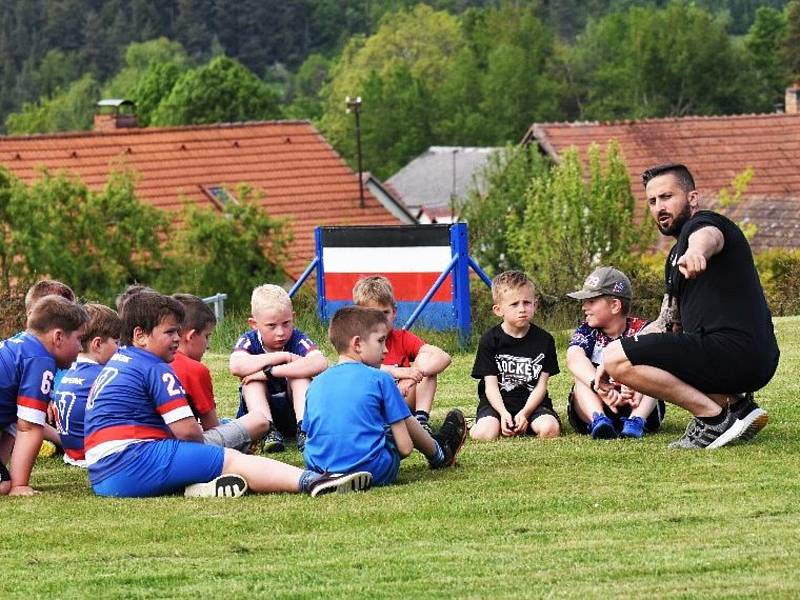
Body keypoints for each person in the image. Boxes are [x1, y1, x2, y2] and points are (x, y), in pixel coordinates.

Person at [84, 291, 372, 498]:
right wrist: (220, 448)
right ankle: (313, 481)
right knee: (232, 458)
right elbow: (188, 435)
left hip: (104, 474)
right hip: (132, 464)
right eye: (170, 332)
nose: (176, 339)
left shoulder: (119, 362)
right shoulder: (156, 368)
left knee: (212, 446)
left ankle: (201, 488)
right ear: (140, 335)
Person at [597, 163, 780, 449]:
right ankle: (736, 408)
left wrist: (696, 252)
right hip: (745, 359)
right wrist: (618, 358)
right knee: (621, 355)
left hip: (734, 350)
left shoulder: (705, 224)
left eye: (667, 197)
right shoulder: (674, 256)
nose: (659, 207)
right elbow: (666, 324)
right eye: (653, 201)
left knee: (617, 356)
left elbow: (708, 237)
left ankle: (713, 418)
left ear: (692, 198)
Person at [302, 306, 467, 486]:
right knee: (400, 417)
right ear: (357, 344)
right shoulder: (381, 378)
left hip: (320, 472)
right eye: (381, 341)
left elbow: (311, 434)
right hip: (373, 470)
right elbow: (405, 448)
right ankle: (439, 454)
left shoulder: (316, 383)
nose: (386, 350)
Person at [0, 296, 88, 495]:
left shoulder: (22, 346)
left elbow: (14, 423)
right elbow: (29, 427)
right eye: (79, 339)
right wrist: (19, 485)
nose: (82, 348)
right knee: (3, 486)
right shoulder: (40, 359)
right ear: (58, 337)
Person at [565, 266, 665, 439]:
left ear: (615, 305)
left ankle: (636, 421)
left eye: (591, 301)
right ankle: (599, 421)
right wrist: (597, 385)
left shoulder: (642, 330)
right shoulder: (586, 332)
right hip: (596, 404)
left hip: (637, 404)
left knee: (656, 368)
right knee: (580, 377)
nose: (584, 307)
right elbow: (574, 357)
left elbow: (660, 341)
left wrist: (637, 385)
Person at [229, 284, 327, 453]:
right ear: (254, 324)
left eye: (286, 323)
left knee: (300, 377)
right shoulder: (248, 341)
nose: (281, 332)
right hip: (256, 421)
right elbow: (237, 366)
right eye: (272, 326)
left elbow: (321, 363)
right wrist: (284, 357)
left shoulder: (298, 339)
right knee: (251, 383)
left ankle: (304, 429)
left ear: (293, 317)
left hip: (292, 415)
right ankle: (268, 432)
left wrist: (270, 372)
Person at [352, 275, 452, 433]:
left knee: (427, 358)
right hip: (371, 405)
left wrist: (417, 375)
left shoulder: (403, 338)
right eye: (372, 314)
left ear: (394, 312)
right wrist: (400, 372)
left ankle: (421, 420)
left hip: (402, 402)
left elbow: (444, 357)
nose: (381, 320)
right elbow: (355, 370)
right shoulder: (357, 342)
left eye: (385, 312)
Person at [470, 271, 561, 441]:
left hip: (533, 404)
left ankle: (526, 422)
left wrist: (525, 413)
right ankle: (472, 425)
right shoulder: (490, 340)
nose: (522, 309)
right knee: (485, 435)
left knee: (550, 429)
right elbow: (490, 386)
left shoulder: (545, 340)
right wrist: (503, 413)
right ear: (498, 310)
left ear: (535, 304)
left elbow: (541, 386)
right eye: (514, 304)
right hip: (497, 403)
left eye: (527, 303)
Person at [171, 293, 268, 452]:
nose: (208, 345)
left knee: (227, 421)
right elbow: (212, 426)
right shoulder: (194, 369)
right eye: (207, 336)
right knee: (259, 420)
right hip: (183, 448)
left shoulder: (154, 361)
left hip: (150, 443)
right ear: (191, 336)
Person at [53, 303, 121, 466]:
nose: (120, 349)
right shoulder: (104, 377)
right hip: (94, 455)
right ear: (97, 344)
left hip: (72, 454)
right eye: (117, 342)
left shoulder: (69, 373)